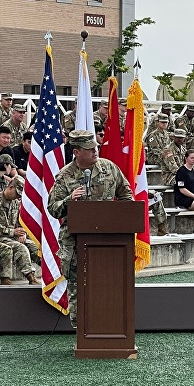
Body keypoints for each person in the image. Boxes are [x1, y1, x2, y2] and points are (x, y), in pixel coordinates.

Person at [47, 129, 133, 329]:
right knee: (77, 284)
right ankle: (81, 329)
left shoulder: (109, 168)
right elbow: (53, 208)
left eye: (95, 148)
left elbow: (126, 194)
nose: (95, 152)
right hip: (75, 240)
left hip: (108, 239)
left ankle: (109, 325)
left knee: (109, 281)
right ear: (76, 152)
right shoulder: (65, 176)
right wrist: (70, 200)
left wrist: (119, 218)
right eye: (89, 149)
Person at [0, 175, 40, 284]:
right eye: (17, 193)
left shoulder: (16, 203)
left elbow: (19, 222)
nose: (18, 196)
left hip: (13, 237)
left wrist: (22, 234)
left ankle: (52, 274)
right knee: (21, 248)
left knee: (36, 247)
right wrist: (12, 232)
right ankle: (31, 277)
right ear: (11, 187)